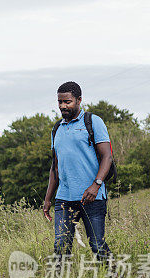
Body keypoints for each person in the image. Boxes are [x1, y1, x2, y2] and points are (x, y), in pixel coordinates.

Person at [43, 81, 114, 264]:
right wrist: (48, 199)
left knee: (97, 246)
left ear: (79, 100)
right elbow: (55, 167)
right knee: (61, 247)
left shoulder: (93, 122)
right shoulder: (57, 129)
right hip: (64, 198)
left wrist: (96, 185)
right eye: (60, 102)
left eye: (67, 102)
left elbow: (107, 157)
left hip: (92, 197)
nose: (62, 106)